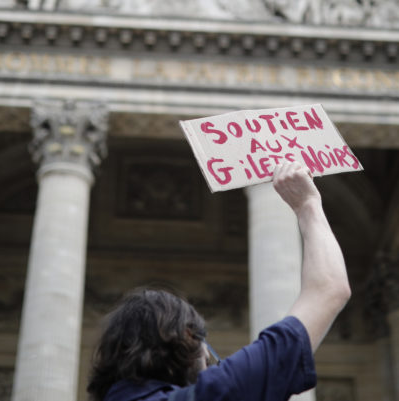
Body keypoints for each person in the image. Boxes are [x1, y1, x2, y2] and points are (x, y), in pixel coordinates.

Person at [87, 161, 351, 401]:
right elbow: (329, 289)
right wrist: (308, 205)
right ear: (188, 341)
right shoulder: (211, 395)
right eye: (205, 345)